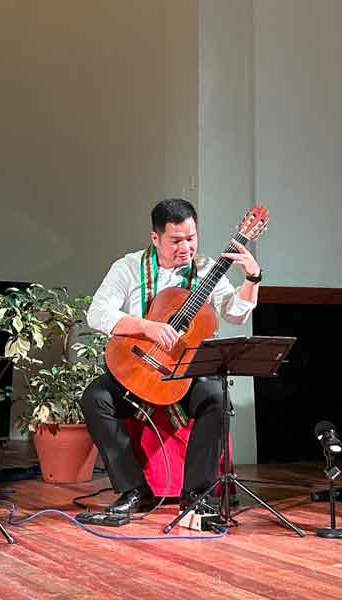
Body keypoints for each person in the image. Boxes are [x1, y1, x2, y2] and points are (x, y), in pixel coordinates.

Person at [78, 198, 262, 515]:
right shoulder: (128, 267)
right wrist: (147, 327)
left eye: (191, 238)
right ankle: (134, 490)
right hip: (139, 365)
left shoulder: (207, 270)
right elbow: (97, 313)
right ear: (155, 238)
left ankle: (198, 496)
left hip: (186, 373)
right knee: (95, 398)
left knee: (217, 401)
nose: (186, 248)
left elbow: (235, 313)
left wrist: (251, 279)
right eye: (176, 240)